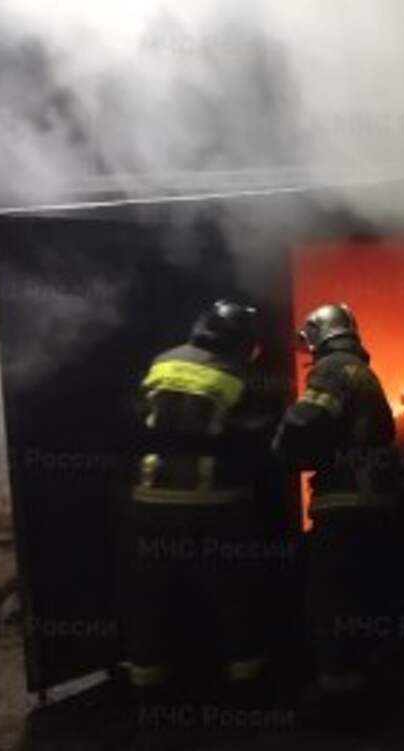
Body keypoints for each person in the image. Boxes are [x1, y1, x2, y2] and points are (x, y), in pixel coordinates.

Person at [124, 299, 284, 702]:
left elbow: (135, 415)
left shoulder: (162, 362)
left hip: (150, 500)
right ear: (240, 340)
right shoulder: (238, 374)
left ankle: (148, 687)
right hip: (213, 502)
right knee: (234, 592)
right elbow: (260, 433)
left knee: (153, 594)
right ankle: (245, 684)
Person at [271, 303, 396, 704]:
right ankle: (368, 688)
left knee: (331, 600)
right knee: (362, 597)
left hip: (343, 503)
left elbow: (304, 421)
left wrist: (280, 454)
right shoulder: (362, 371)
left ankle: (338, 695)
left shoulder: (331, 368)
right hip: (372, 502)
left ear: (317, 336)